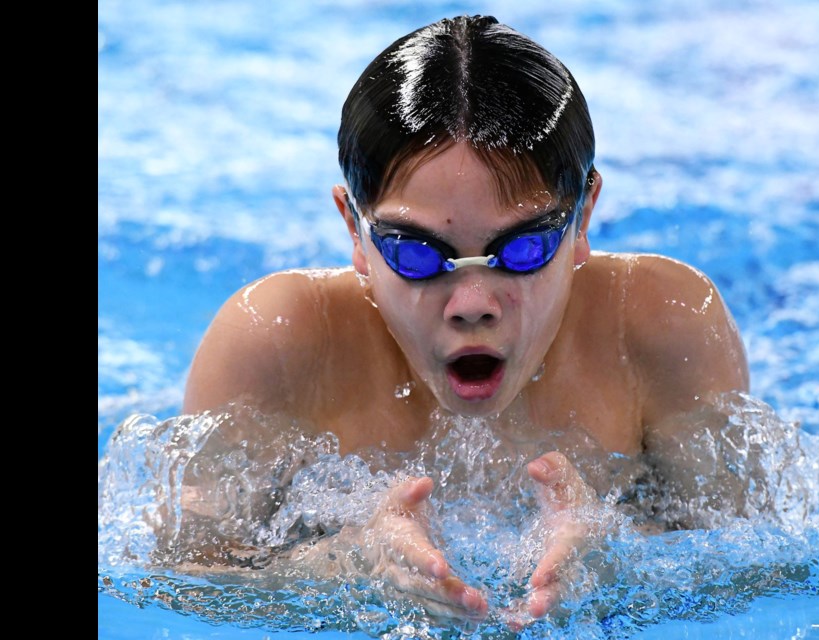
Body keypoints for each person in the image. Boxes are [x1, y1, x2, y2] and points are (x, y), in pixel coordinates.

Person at [178, 15, 748, 624]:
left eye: (524, 248)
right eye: (417, 253)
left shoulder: (665, 326)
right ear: (354, 227)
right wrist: (348, 565)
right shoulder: (277, 343)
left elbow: (759, 571)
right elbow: (183, 585)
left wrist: (619, 565)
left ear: (583, 217)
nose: (472, 301)